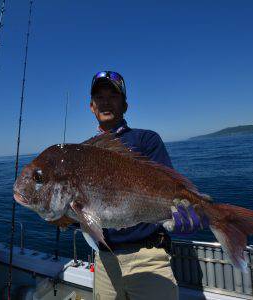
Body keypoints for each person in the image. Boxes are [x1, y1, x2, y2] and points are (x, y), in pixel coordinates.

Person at [88, 71, 205, 300]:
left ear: (125, 105)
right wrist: (65, 217)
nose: (106, 101)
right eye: (99, 97)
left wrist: (187, 209)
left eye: (113, 95)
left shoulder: (146, 140)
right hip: (104, 261)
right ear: (91, 106)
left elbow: (170, 188)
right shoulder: (86, 152)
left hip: (147, 259)